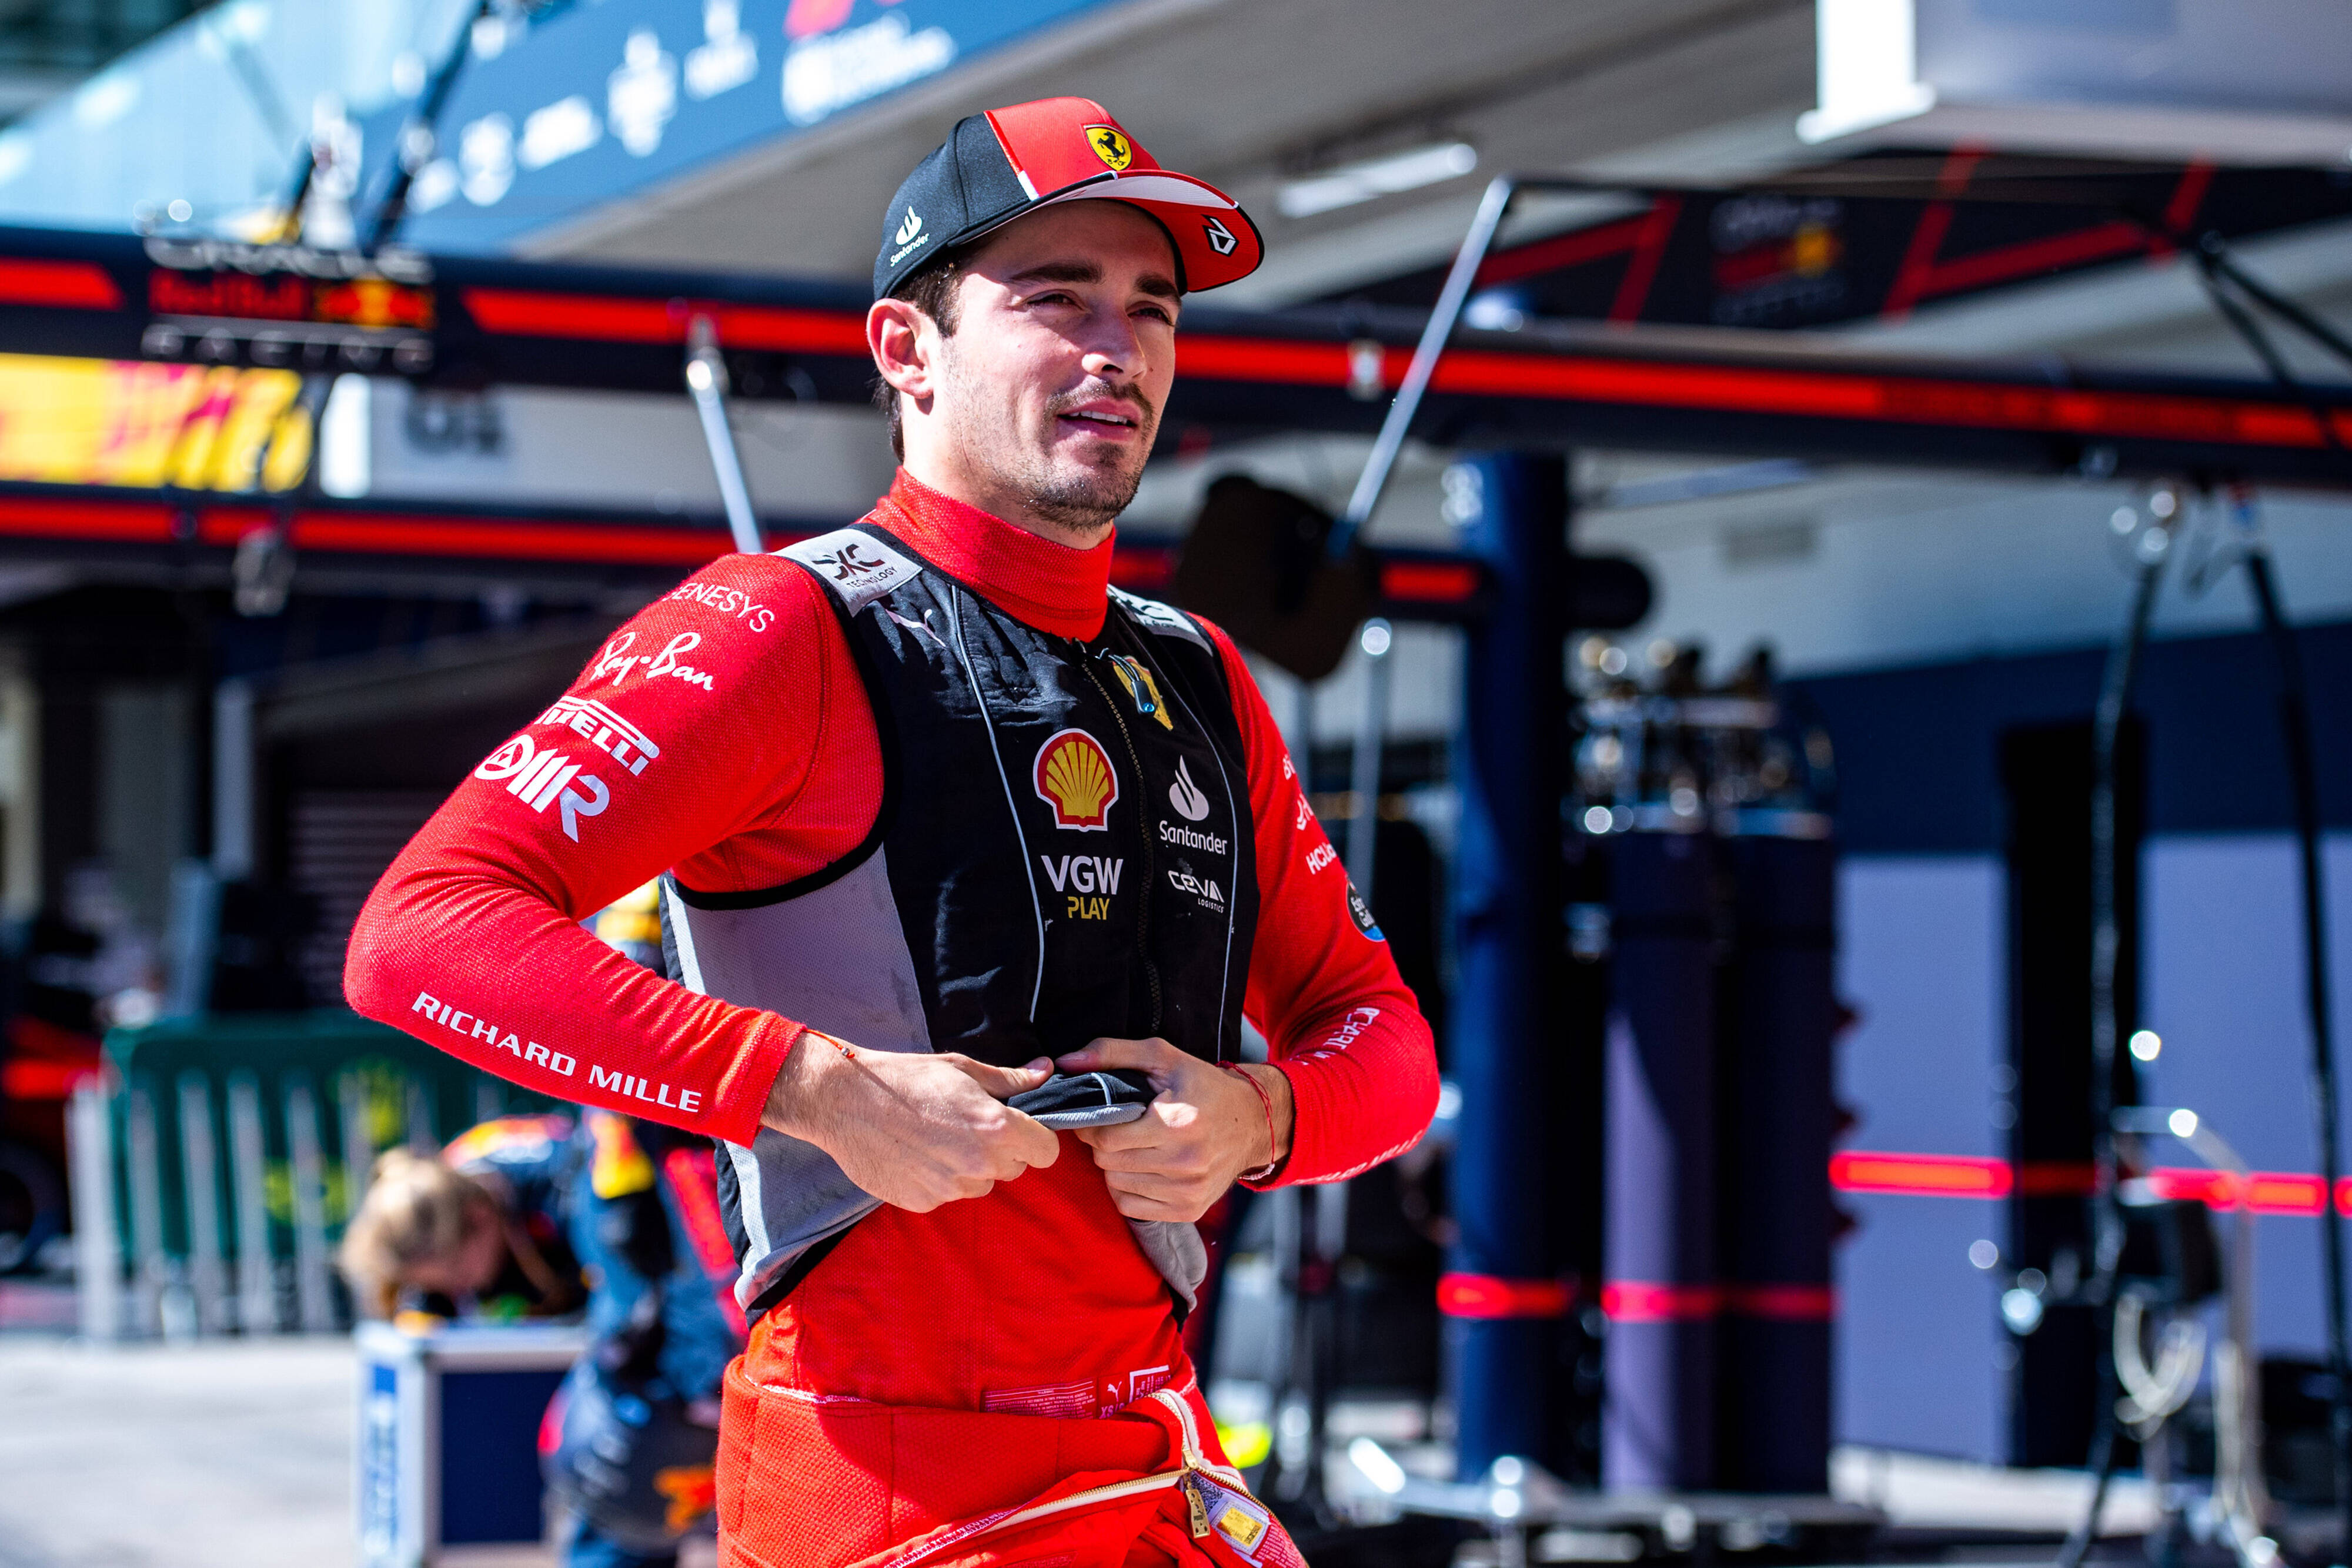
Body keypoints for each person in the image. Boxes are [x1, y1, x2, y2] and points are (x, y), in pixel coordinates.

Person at [346, 95, 1438, 1566]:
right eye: (1055, 302)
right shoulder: (779, 628)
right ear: (905, 351)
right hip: (881, 1480)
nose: (1116, 350)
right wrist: (818, 1089)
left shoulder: (1196, 671)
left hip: (1159, 1462)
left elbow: (1382, 1036)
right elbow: (419, 939)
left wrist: (1258, 1120)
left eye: (1152, 309)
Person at [340, 1111, 744, 1567]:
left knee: (622, 1450)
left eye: (457, 1275)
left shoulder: (583, 1196)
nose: (459, 1291)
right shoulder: (434, 1205)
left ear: (481, 1218)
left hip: (660, 1262)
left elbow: (651, 1317)